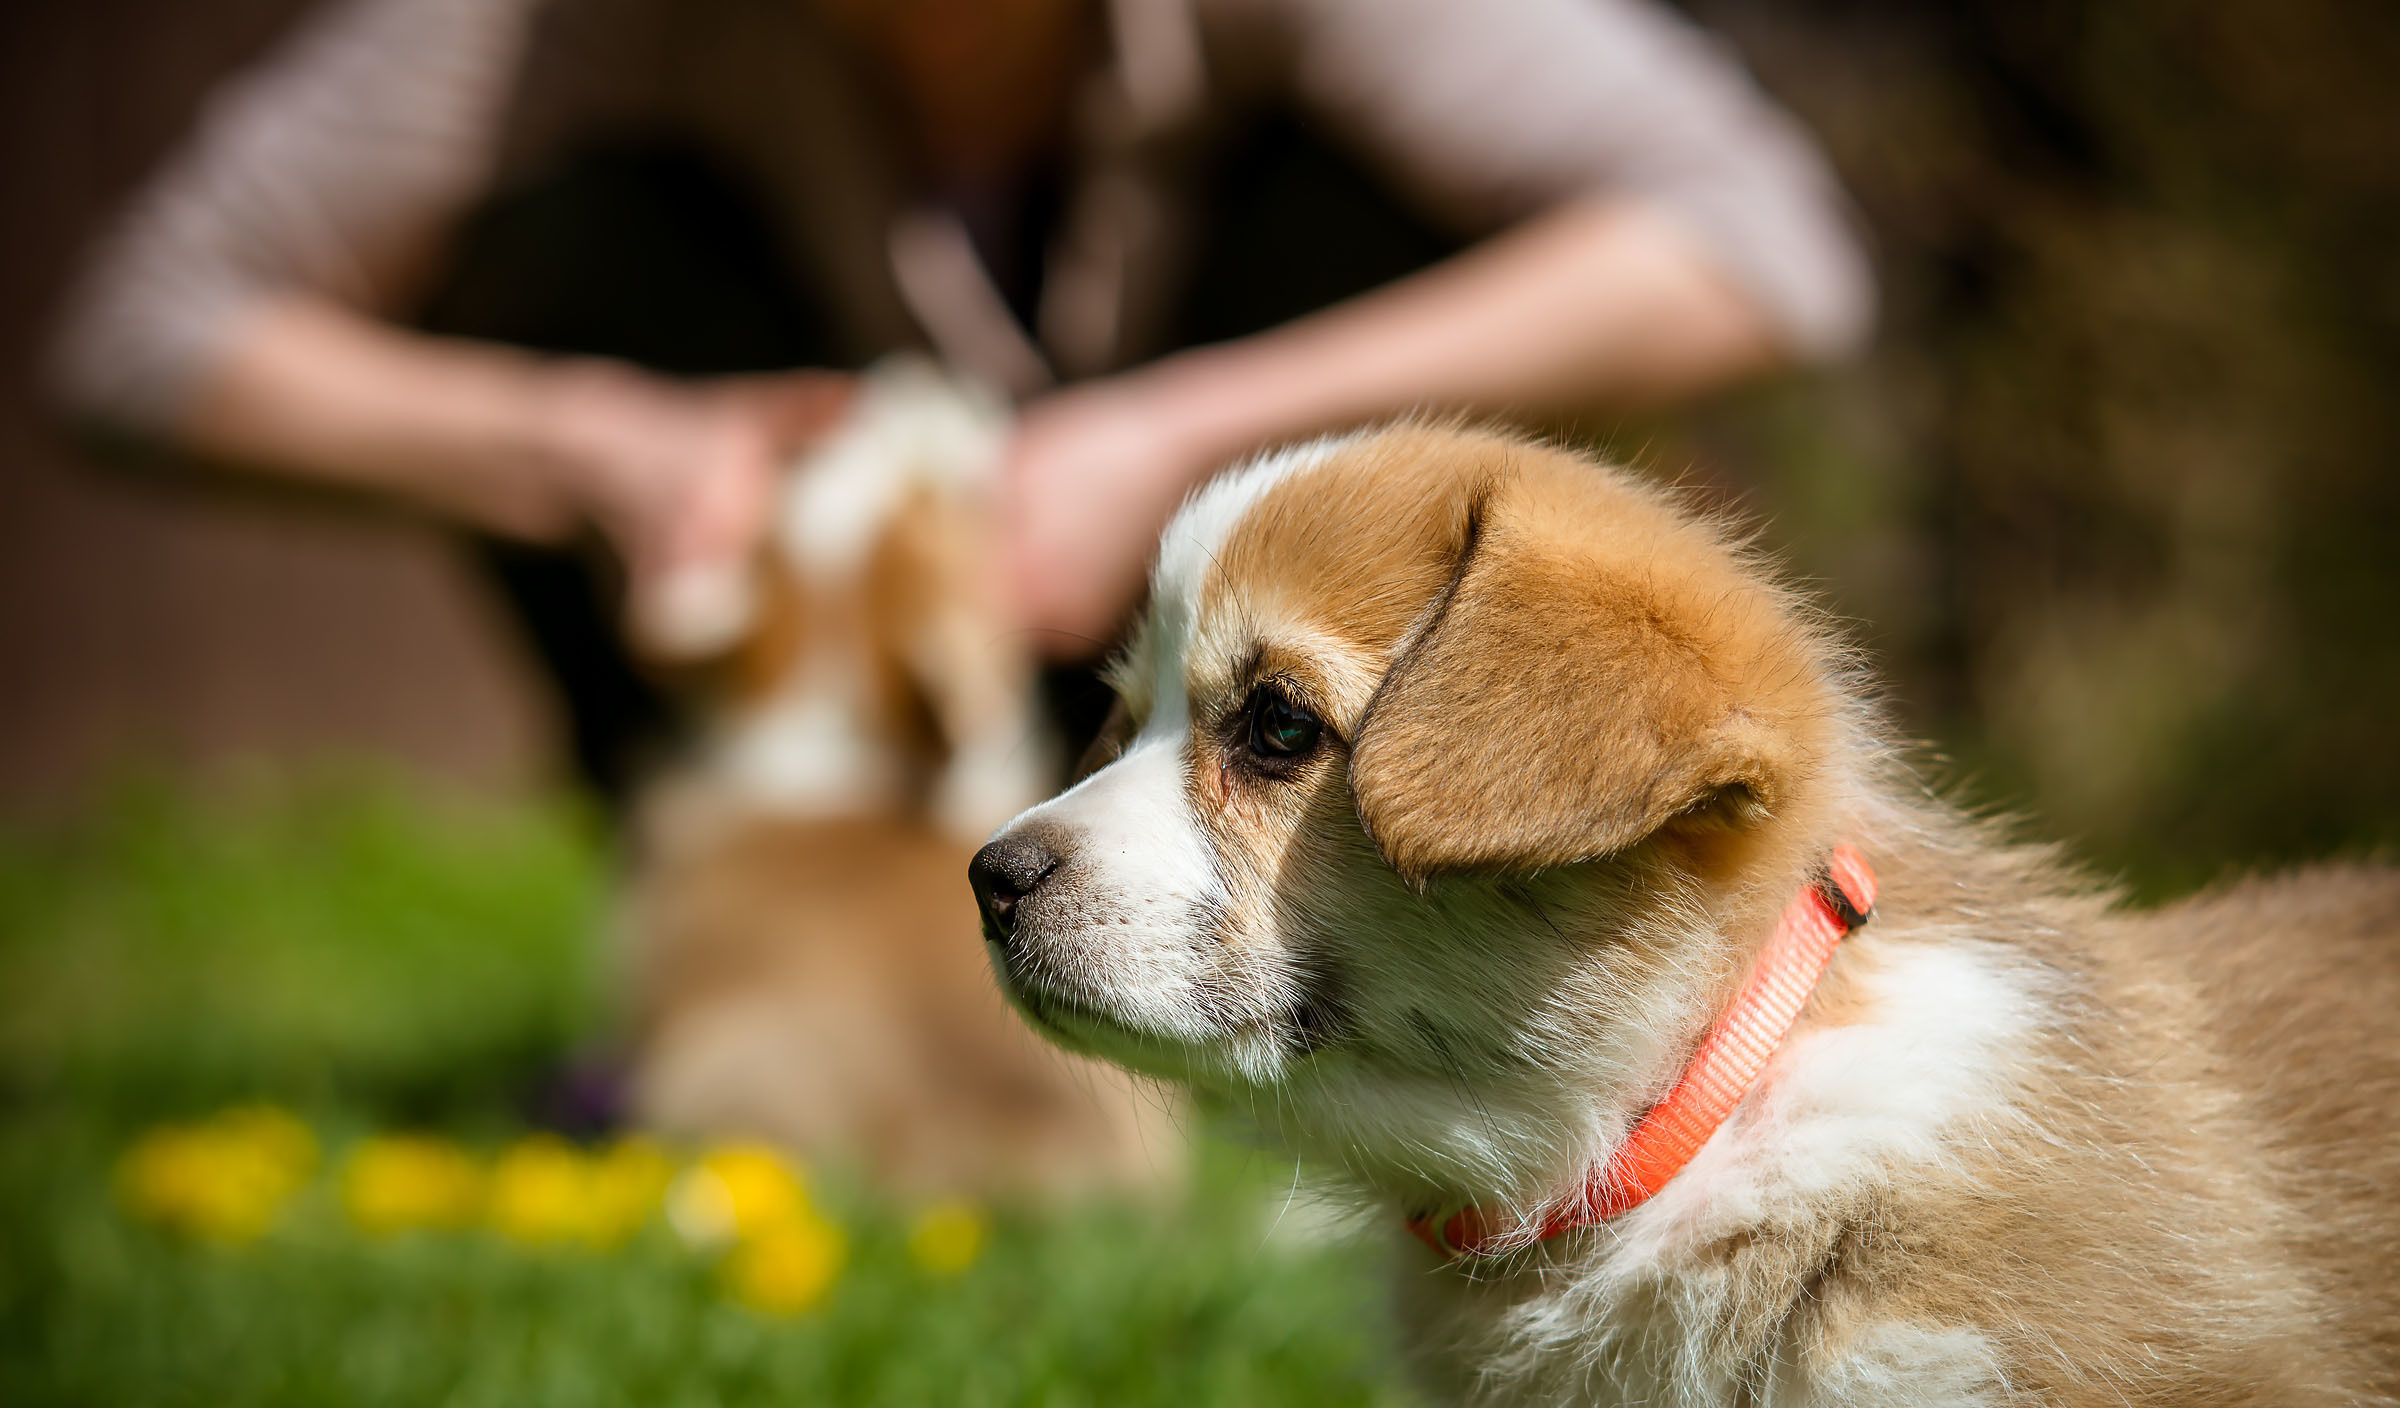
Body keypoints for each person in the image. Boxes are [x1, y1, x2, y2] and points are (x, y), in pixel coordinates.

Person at [52, 0, 1872, 800]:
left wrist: (1187, 440)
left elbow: (1765, 251)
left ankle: (1383, 931)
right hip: (792, 657)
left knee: (1446, 228)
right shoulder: (561, 14)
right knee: (545, 254)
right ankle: (764, 932)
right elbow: (133, 333)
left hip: (1255, 674)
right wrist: (581, 442)